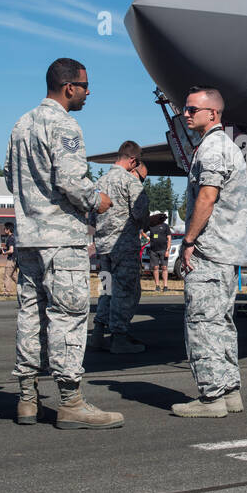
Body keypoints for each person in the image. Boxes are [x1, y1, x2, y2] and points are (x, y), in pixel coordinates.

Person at [5, 57, 118, 429]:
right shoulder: (65, 125)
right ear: (69, 87)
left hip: (28, 239)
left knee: (31, 315)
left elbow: (10, 179)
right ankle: (70, 401)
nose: (88, 93)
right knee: (68, 316)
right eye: (85, 86)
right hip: (61, 241)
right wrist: (96, 199)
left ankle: (26, 398)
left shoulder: (21, 125)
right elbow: (71, 180)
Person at [173, 86, 247, 417]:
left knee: (202, 323)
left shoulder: (212, 149)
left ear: (213, 114)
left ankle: (211, 398)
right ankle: (230, 392)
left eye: (192, 109)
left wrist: (188, 241)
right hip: (226, 252)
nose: (186, 114)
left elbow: (207, 197)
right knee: (221, 323)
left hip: (209, 251)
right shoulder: (225, 146)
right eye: (186, 109)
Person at [90, 143, 151, 354]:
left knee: (106, 289)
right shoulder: (129, 182)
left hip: (103, 248)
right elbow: (140, 215)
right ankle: (119, 337)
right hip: (123, 248)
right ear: (133, 161)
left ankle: (98, 332)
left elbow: (91, 215)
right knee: (126, 291)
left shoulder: (99, 183)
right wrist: (148, 223)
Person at [146, 213, 171, 292]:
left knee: (164, 267)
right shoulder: (151, 225)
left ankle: (165, 286)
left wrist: (167, 250)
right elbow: (142, 231)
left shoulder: (165, 226)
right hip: (153, 250)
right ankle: (157, 286)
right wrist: (147, 237)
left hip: (163, 250)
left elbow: (169, 239)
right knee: (155, 268)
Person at [0, 223, 16, 295]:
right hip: (15, 259)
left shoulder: (10, 238)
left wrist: (4, 253)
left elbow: (11, 250)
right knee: (13, 276)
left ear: (8, 230)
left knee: (7, 275)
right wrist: (3, 250)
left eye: (5, 229)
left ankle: (7, 292)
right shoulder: (14, 237)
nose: (4, 230)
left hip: (11, 259)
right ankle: (24, 287)